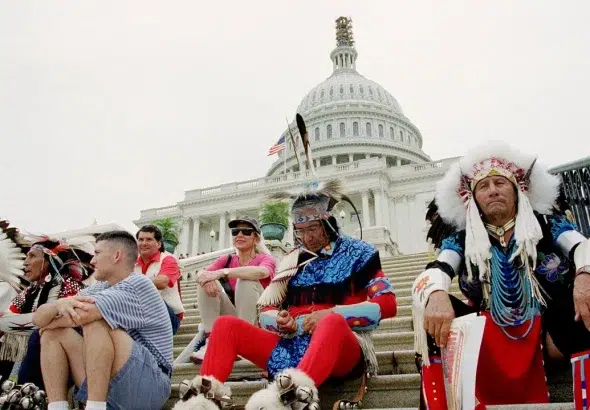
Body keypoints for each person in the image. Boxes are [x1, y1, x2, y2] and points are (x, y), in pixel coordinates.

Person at [173, 179, 397, 409]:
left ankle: (288, 400)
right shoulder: (292, 260)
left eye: (312, 229)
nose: (307, 238)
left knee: (331, 322)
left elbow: (388, 305)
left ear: (329, 224)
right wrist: (280, 321)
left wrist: (332, 313)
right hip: (289, 346)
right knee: (225, 326)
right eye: (300, 231)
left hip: (341, 346)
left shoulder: (360, 253)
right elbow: (266, 310)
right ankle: (202, 401)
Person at [412, 142, 590, 408]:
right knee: (431, 317)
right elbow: (438, 269)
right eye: (483, 186)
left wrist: (584, 275)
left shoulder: (546, 225)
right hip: (488, 338)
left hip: (548, 333)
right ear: (473, 198)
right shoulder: (462, 239)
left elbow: (583, 246)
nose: (492, 191)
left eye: (500, 183)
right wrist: (436, 294)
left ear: (517, 190)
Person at [34, 230, 172, 410]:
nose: (92, 261)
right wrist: (59, 304)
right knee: (52, 333)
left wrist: (53, 316)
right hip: (119, 383)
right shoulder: (100, 287)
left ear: (116, 256)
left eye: (97, 253)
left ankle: (95, 407)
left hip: (152, 385)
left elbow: (83, 315)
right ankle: (57, 407)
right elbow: (39, 319)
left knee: (97, 321)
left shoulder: (138, 284)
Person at [0, 230, 94, 386]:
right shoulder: (30, 290)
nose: (25, 262)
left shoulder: (70, 286)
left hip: (60, 355)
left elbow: (54, 322)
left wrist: (14, 322)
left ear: (49, 260)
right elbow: (7, 317)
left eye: (32, 256)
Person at [189, 216, 276, 362]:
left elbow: (262, 272)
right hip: (237, 316)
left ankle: (244, 341)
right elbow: (200, 274)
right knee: (205, 282)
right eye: (235, 232)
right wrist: (205, 279)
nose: (240, 235)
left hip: (258, 320)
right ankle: (212, 341)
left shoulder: (265, 258)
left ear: (256, 239)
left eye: (246, 232)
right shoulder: (227, 259)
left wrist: (224, 272)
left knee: (245, 280)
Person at [135, 225, 184, 334]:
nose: (144, 243)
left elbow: (162, 282)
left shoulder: (168, 260)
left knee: (151, 296)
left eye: (149, 239)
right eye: (141, 239)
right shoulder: (132, 264)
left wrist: (131, 285)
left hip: (169, 316)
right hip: (141, 313)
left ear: (159, 244)